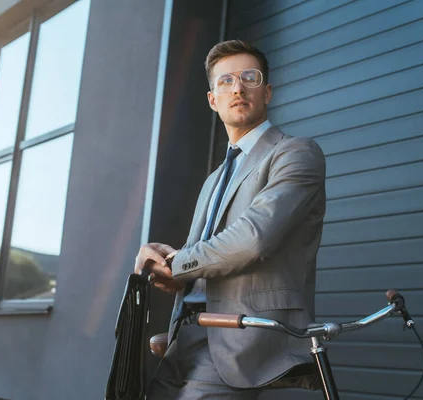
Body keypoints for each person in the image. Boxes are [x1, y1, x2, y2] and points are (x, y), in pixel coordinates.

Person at [134, 39, 326, 399]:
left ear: (266, 92)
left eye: (249, 78)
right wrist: (167, 267)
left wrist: (181, 264)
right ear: (213, 99)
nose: (238, 87)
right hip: (185, 335)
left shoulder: (296, 152)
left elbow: (254, 238)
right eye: (225, 81)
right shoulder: (214, 179)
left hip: (240, 338)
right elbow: (203, 258)